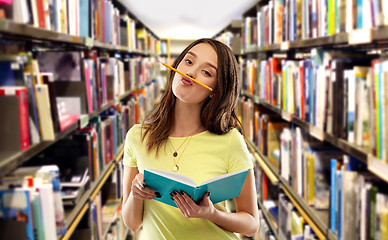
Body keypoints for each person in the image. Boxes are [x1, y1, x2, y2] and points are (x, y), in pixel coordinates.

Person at [122, 38, 260, 239]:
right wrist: (136, 195)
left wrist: (211, 214)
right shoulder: (137, 136)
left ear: (216, 91)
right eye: (188, 61)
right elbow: (132, 223)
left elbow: (251, 224)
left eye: (206, 72)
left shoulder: (230, 141)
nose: (191, 73)